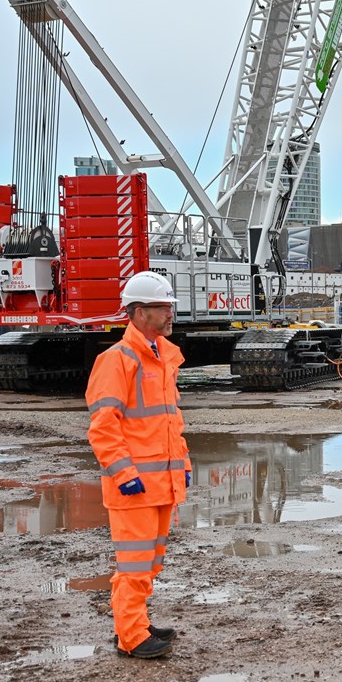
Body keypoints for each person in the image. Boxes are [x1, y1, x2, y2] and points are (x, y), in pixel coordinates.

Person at [86, 271, 191, 659]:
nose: (170, 315)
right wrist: (124, 474)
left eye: (170, 307)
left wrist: (183, 462)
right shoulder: (117, 361)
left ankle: (134, 624)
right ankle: (132, 637)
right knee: (133, 565)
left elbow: (169, 421)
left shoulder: (161, 357)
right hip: (135, 487)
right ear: (138, 312)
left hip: (162, 483)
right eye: (163, 308)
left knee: (148, 563)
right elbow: (102, 428)